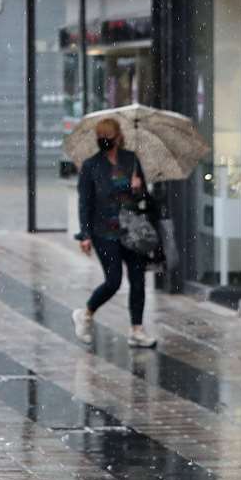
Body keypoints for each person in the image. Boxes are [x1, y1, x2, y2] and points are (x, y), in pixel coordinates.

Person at [73, 117, 156, 348]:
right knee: (113, 281)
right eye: (100, 139)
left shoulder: (131, 160)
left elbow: (143, 200)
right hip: (104, 232)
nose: (104, 142)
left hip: (131, 230)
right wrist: (86, 235)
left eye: (107, 138)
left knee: (138, 279)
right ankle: (86, 313)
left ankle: (137, 329)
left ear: (118, 137)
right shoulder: (91, 166)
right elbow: (85, 203)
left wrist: (139, 189)